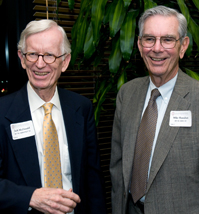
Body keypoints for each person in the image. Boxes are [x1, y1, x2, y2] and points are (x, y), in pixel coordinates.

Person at [0, 19, 107, 214]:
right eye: (32, 54)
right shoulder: (2, 113)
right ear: (22, 58)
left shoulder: (81, 108)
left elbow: (93, 180)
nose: (40, 64)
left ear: (64, 61)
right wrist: (30, 197)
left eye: (49, 55)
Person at [110, 5, 199, 214]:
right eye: (149, 39)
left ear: (183, 46)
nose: (157, 48)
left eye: (167, 40)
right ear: (140, 45)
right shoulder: (127, 93)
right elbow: (117, 167)